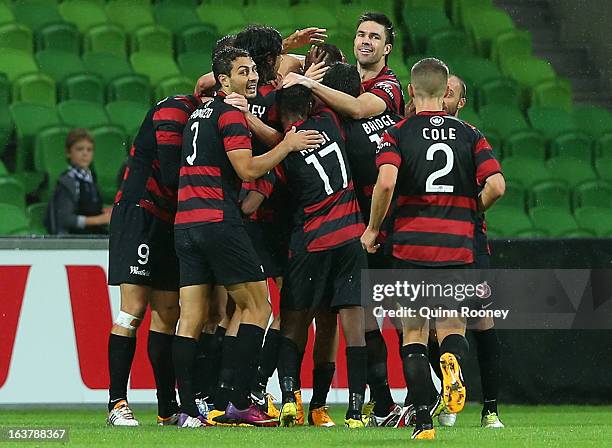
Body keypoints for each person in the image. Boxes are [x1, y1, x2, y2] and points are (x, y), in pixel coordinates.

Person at [171, 46, 324, 428]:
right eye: (243, 72)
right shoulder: (230, 114)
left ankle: (188, 409)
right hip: (218, 221)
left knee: (190, 317)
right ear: (224, 81)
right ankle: (239, 401)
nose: (252, 77)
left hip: (185, 223)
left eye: (254, 70)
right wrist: (287, 145)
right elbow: (246, 168)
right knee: (260, 307)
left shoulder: (197, 114)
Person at [361, 58, 505, 439]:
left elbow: (387, 183)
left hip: (411, 246)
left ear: (411, 91)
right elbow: (497, 185)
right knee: (452, 328)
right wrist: (469, 213)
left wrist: (373, 228)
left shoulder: (397, 133)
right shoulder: (470, 134)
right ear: (445, 94)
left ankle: (424, 422)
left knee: (413, 334)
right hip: (457, 247)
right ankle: (451, 364)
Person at [106, 78, 201, 427]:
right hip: (140, 212)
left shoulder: (207, 115)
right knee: (132, 310)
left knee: (168, 312)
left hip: (169, 220)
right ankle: (117, 403)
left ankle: (166, 409)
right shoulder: (175, 109)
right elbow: (175, 175)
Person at [272, 84, 368, 429]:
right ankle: (354, 412)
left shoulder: (284, 150)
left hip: (312, 243)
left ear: (282, 115)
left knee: (295, 322)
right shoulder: (329, 120)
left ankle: (288, 401)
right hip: (350, 239)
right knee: (351, 327)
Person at [320, 62, 405, 427]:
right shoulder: (394, 123)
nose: (364, 40)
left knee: (370, 319)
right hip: (403, 226)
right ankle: (422, 398)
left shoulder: (345, 126)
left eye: (373, 35)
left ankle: (384, 401)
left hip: (368, 229)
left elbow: (353, 109)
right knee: (406, 319)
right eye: (360, 34)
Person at [434, 74, 505, 429]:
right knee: (444, 327)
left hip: (461, 243)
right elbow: (494, 187)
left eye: (451, 93)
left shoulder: (468, 135)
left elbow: (496, 186)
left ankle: (488, 408)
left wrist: (469, 210)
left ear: (460, 103)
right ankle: (453, 397)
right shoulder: (468, 136)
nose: (443, 97)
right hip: (451, 241)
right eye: (440, 90)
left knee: (473, 323)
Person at [283, 12, 404, 119]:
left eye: (375, 37)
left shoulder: (388, 84)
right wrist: (286, 45)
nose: (366, 41)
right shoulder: (345, 73)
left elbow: (358, 109)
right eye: (361, 35)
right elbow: (278, 62)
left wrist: (310, 83)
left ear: (386, 49)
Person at [45, 129, 110, 235]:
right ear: (68, 153)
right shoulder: (67, 181)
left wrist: (104, 212)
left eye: (89, 150)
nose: (85, 153)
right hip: (75, 239)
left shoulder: (91, 178)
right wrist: (99, 219)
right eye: (80, 149)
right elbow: (65, 219)